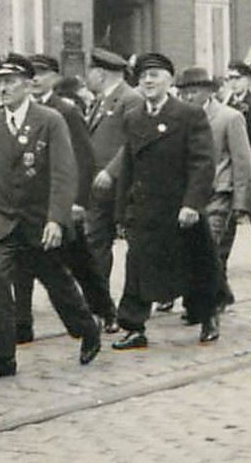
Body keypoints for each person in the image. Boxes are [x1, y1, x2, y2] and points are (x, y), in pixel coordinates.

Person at [0, 53, 103, 377]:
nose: (4, 88)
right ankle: (3, 357)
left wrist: (56, 219)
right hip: (3, 221)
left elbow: (63, 172)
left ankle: (86, 330)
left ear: (28, 85)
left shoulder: (50, 120)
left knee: (56, 282)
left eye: (11, 82)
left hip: (39, 222)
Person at [95, 53, 222, 349]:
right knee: (137, 264)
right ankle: (134, 325)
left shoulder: (189, 115)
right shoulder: (134, 117)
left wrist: (192, 203)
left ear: (169, 80)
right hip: (144, 207)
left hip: (180, 208)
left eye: (155, 75)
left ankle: (207, 316)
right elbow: (128, 164)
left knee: (195, 265)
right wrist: (122, 211)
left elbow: (202, 163)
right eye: (143, 77)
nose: (148, 81)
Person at [31, 53, 114, 331]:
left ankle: (103, 310)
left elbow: (84, 157)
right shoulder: (21, 111)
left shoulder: (65, 111)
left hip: (65, 202)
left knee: (80, 262)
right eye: (30, 74)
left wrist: (79, 201)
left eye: (40, 73)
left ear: (54, 78)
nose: (34, 79)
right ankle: (22, 325)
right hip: (36, 203)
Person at [174, 66, 251, 311]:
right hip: (189, 195)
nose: (188, 97)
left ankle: (203, 303)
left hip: (220, 193)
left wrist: (242, 202)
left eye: (194, 91)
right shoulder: (180, 119)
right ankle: (220, 294)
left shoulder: (229, 118)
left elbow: (243, 161)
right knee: (194, 250)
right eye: (184, 92)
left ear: (208, 91)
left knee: (213, 247)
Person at [81, 48, 143, 331]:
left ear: (100, 72)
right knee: (95, 246)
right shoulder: (100, 101)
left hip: (121, 186)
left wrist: (111, 171)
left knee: (134, 248)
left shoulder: (130, 99)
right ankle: (100, 307)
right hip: (99, 189)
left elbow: (133, 141)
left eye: (89, 71)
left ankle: (129, 308)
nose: (86, 77)